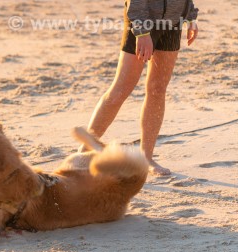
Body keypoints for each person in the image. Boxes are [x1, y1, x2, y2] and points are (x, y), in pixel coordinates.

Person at [81, 0, 199, 176]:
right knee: (120, 89)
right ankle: (84, 153)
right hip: (141, 21)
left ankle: (146, 158)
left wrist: (190, 17)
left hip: (173, 23)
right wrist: (142, 32)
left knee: (157, 89)